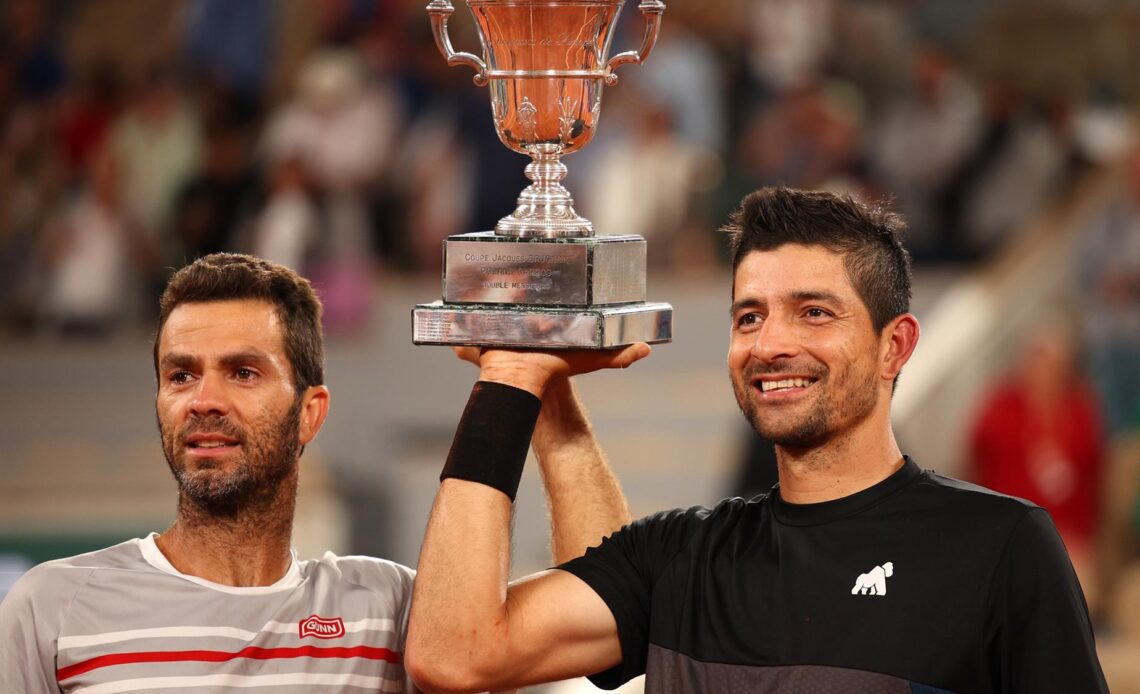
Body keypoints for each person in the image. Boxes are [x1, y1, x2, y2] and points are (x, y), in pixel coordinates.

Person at [406, 187, 1107, 693]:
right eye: (749, 317)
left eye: (813, 312)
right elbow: (455, 654)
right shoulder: (681, 555)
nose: (771, 343)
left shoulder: (999, 546)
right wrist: (519, 378)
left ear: (895, 347)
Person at [0, 252, 617, 692]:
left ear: (309, 414)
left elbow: (607, 618)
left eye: (243, 372)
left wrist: (548, 391)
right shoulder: (53, 608)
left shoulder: (399, 611)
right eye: (180, 375)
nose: (202, 399)